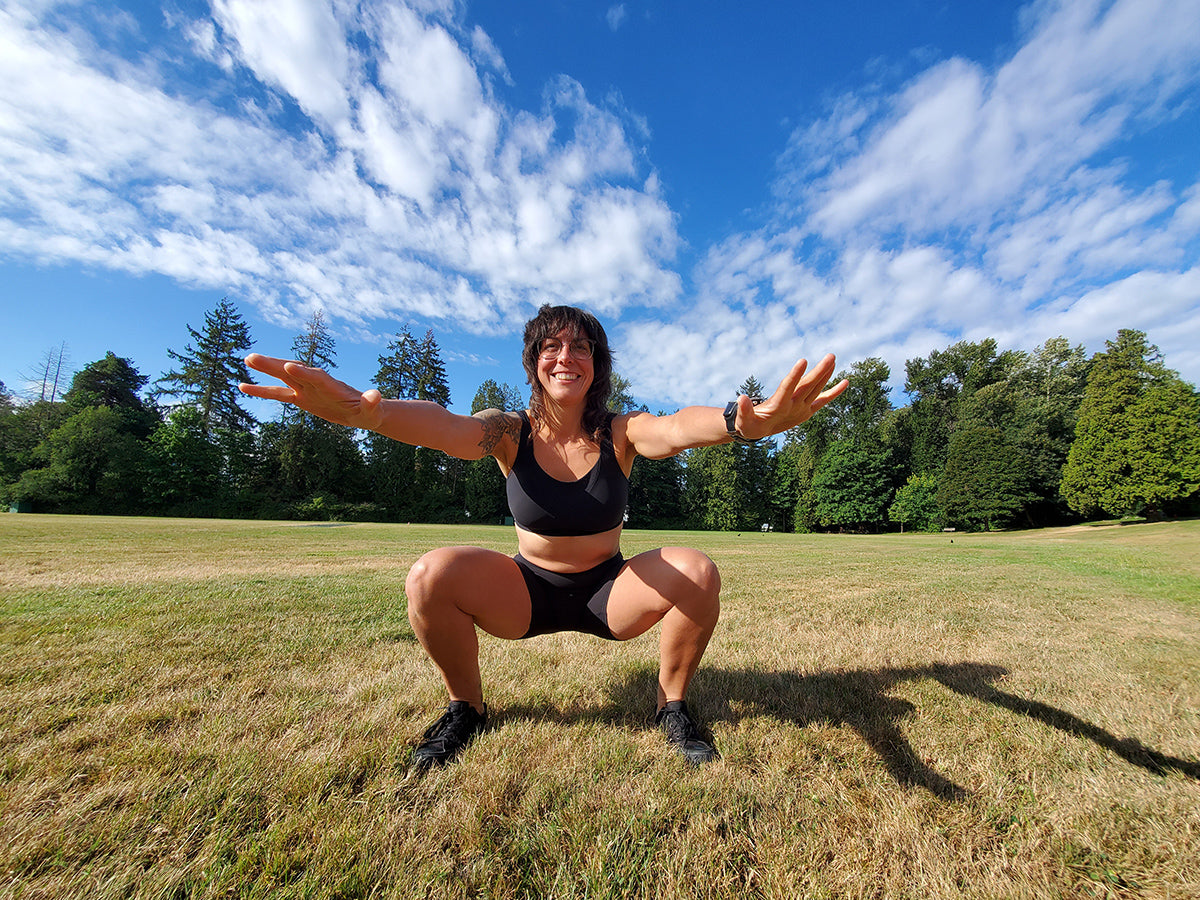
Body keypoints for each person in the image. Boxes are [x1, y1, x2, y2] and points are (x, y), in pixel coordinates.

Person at [241, 305, 847, 768]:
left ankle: (672, 707)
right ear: (534, 363)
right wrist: (373, 415)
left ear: (596, 367)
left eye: (580, 348)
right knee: (431, 573)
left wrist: (737, 422)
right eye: (551, 347)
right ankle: (466, 708)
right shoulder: (508, 430)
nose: (565, 356)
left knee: (698, 569)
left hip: (610, 593)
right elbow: (449, 429)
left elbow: (675, 428)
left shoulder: (620, 431)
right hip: (526, 590)